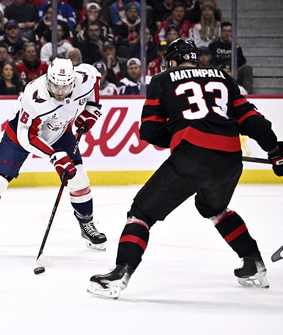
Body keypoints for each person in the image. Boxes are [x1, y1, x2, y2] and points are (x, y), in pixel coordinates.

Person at [88, 39, 283, 299]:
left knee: (141, 213)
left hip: (191, 157)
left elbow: (149, 130)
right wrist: (275, 151)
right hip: (230, 159)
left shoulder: (163, 79)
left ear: (174, 61)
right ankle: (253, 264)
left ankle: (119, 274)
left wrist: (179, 137)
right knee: (213, 208)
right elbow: (252, 120)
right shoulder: (223, 77)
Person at [0, 58, 107, 251]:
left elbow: (95, 78)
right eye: (55, 86)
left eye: (65, 87)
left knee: (79, 179)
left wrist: (92, 109)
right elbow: (27, 137)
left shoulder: (83, 77)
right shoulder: (34, 95)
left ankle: (87, 224)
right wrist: (54, 156)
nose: (60, 92)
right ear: (47, 80)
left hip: (60, 132)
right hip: (21, 135)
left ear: (73, 82)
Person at [209, 21, 253, 93]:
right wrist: (222, 69)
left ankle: (248, 94)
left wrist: (235, 45)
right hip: (219, 71)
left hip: (235, 71)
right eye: (225, 31)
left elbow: (242, 61)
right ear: (221, 32)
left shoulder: (236, 45)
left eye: (229, 31)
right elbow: (211, 61)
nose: (227, 33)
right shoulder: (213, 45)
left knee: (247, 68)